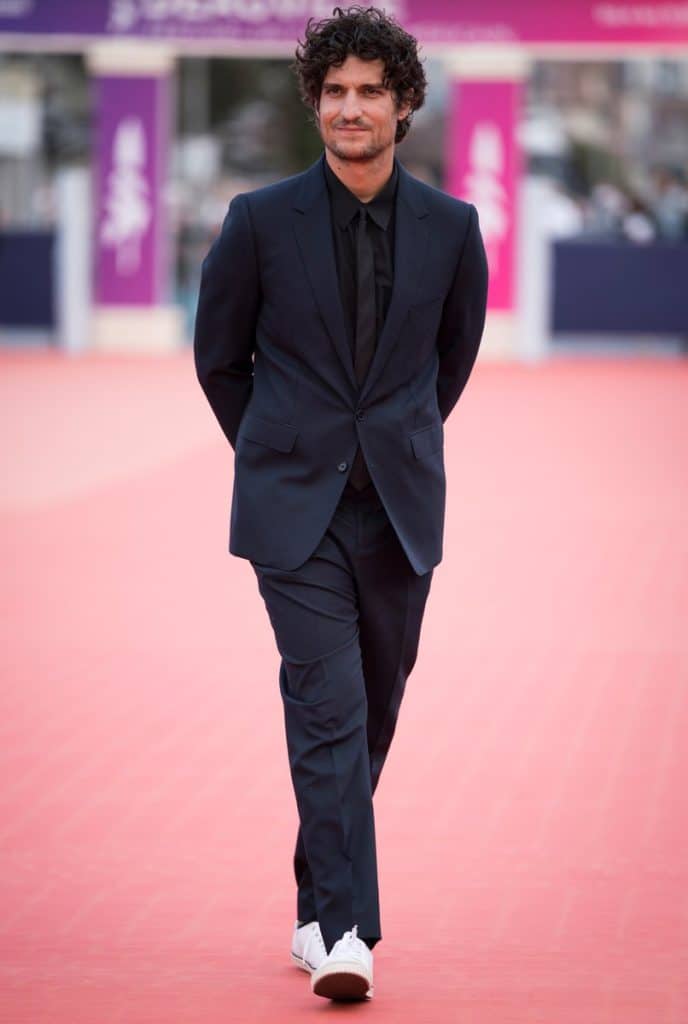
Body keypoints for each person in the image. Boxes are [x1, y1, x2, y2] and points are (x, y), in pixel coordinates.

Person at [194, 4, 488, 1002]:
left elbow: (448, 364)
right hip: (292, 512)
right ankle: (345, 931)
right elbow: (219, 358)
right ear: (315, 104)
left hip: (397, 508)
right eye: (334, 92)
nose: (350, 107)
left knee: (371, 713)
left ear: (404, 105)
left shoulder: (453, 230)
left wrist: (387, 442)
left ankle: (316, 884)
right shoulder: (257, 221)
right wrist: (280, 452)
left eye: (370, 90)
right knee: (329, 710)